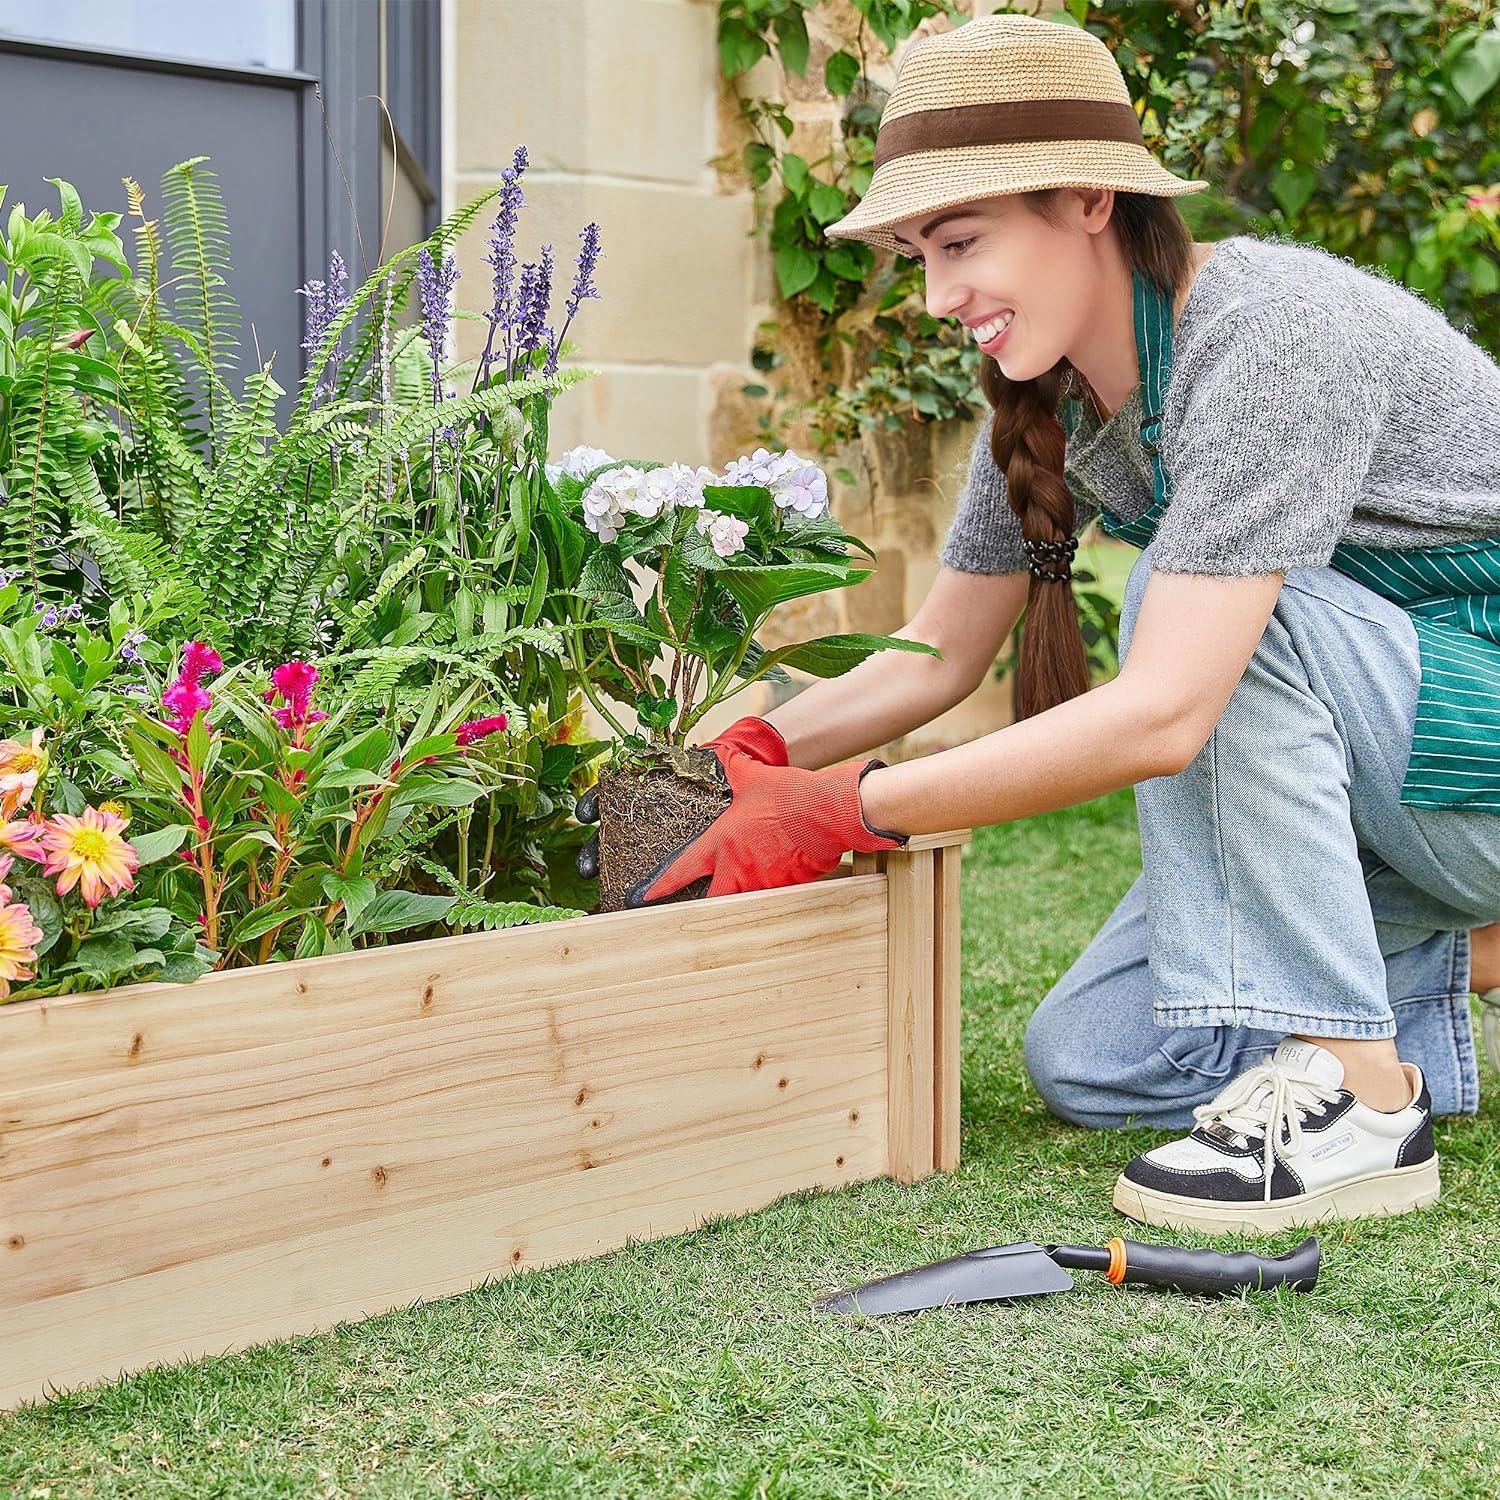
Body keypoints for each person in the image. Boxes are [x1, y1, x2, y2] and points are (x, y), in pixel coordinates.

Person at [581, 14, 1500, 1234]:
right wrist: (730, 761)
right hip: (1401, 771)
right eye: (917, 253)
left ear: (1084, 200)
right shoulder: (1046, 396)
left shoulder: (1276, 332)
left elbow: (1170, 711)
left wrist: (852, 806)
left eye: (960, 243)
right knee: (1097, 1057)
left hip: (1466, 745)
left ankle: (1361, 1097)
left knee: (1220, 643)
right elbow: (938, 653)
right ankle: (1454, 973)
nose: (937, 294)